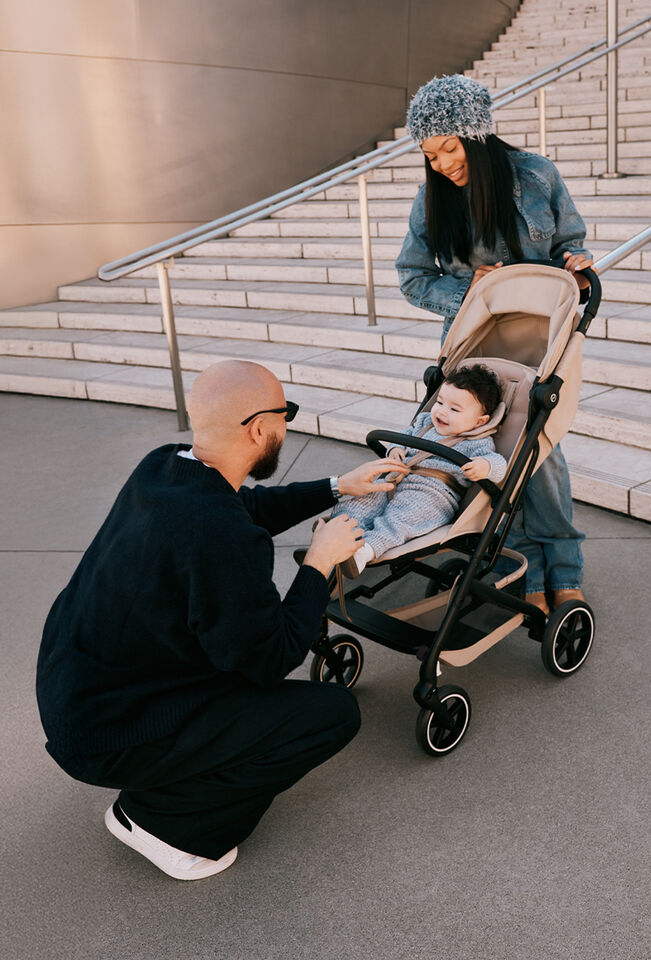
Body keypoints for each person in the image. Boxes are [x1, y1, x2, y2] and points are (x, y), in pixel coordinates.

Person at [35, 359, 408, 881]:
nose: (286, 424)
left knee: (225, 662)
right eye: (286, 415)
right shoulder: (220, 539)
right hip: (109, 732)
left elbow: (242, 508)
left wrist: (337, 485)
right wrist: (319, 563)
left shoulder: (164, 467)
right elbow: (272, 657)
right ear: (260, 428)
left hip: (77, 691)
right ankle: (165, 824)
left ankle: (166, 777)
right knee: (331, 714)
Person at [395, 73, 593, 615]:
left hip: (541, 339)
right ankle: (521, 560)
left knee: (540, 453)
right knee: (490, 451)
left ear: (476, 135)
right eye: (430, 156)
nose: (440, 165)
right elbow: (412, 277)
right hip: (474, 348)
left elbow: (570, 243)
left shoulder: (537, 176)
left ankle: (564, 567)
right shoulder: (431, 200)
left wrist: (575, 263)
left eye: (449, 149)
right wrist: (469, 288)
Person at [329, 364, 508, 576]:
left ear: (479, 421)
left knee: (401, 520)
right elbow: (407, 433)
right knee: (362, 498)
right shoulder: (425, 422)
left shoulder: (476, 442)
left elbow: (499, 464)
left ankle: (365, 551)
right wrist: (396, 447)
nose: (441, 411)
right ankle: (336, 534)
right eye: (440, 402)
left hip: (432, 494)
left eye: (454, 409)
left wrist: (484, 466)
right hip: (398, 478)